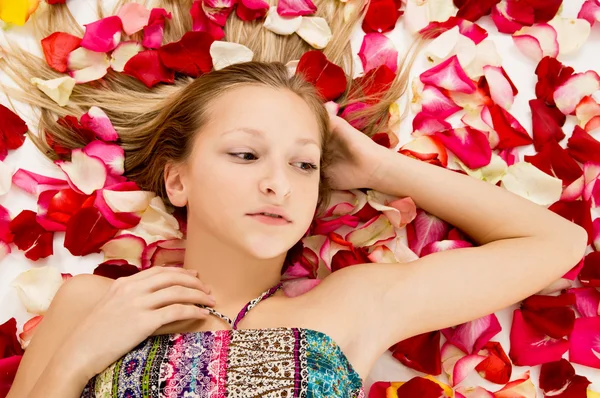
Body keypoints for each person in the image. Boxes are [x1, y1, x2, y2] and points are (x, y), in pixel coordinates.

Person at [2, 0, 588, 397]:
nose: (279, 183)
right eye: (245, 154)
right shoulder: (93, 305)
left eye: (304, 164)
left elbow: (559, 241)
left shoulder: (352, 307)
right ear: (176, 180)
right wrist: (80, 358)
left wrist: (379, 166)